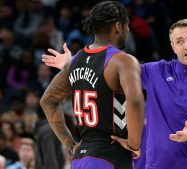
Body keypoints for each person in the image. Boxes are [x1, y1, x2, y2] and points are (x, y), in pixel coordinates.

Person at [42, 18, 187, 169]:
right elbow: (112, 67)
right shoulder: (157, 71)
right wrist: (71, 63)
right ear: (173, 47)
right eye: (180, 41)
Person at [40, 1, 145, 169]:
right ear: (118, 25)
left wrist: (69, 143)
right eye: (127, 25)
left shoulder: (74, 62)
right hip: (110, 155)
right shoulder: (123, 60)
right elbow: (135, 101)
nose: (128, 30)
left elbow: (48, 100)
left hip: (81, 158)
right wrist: (134, 143)